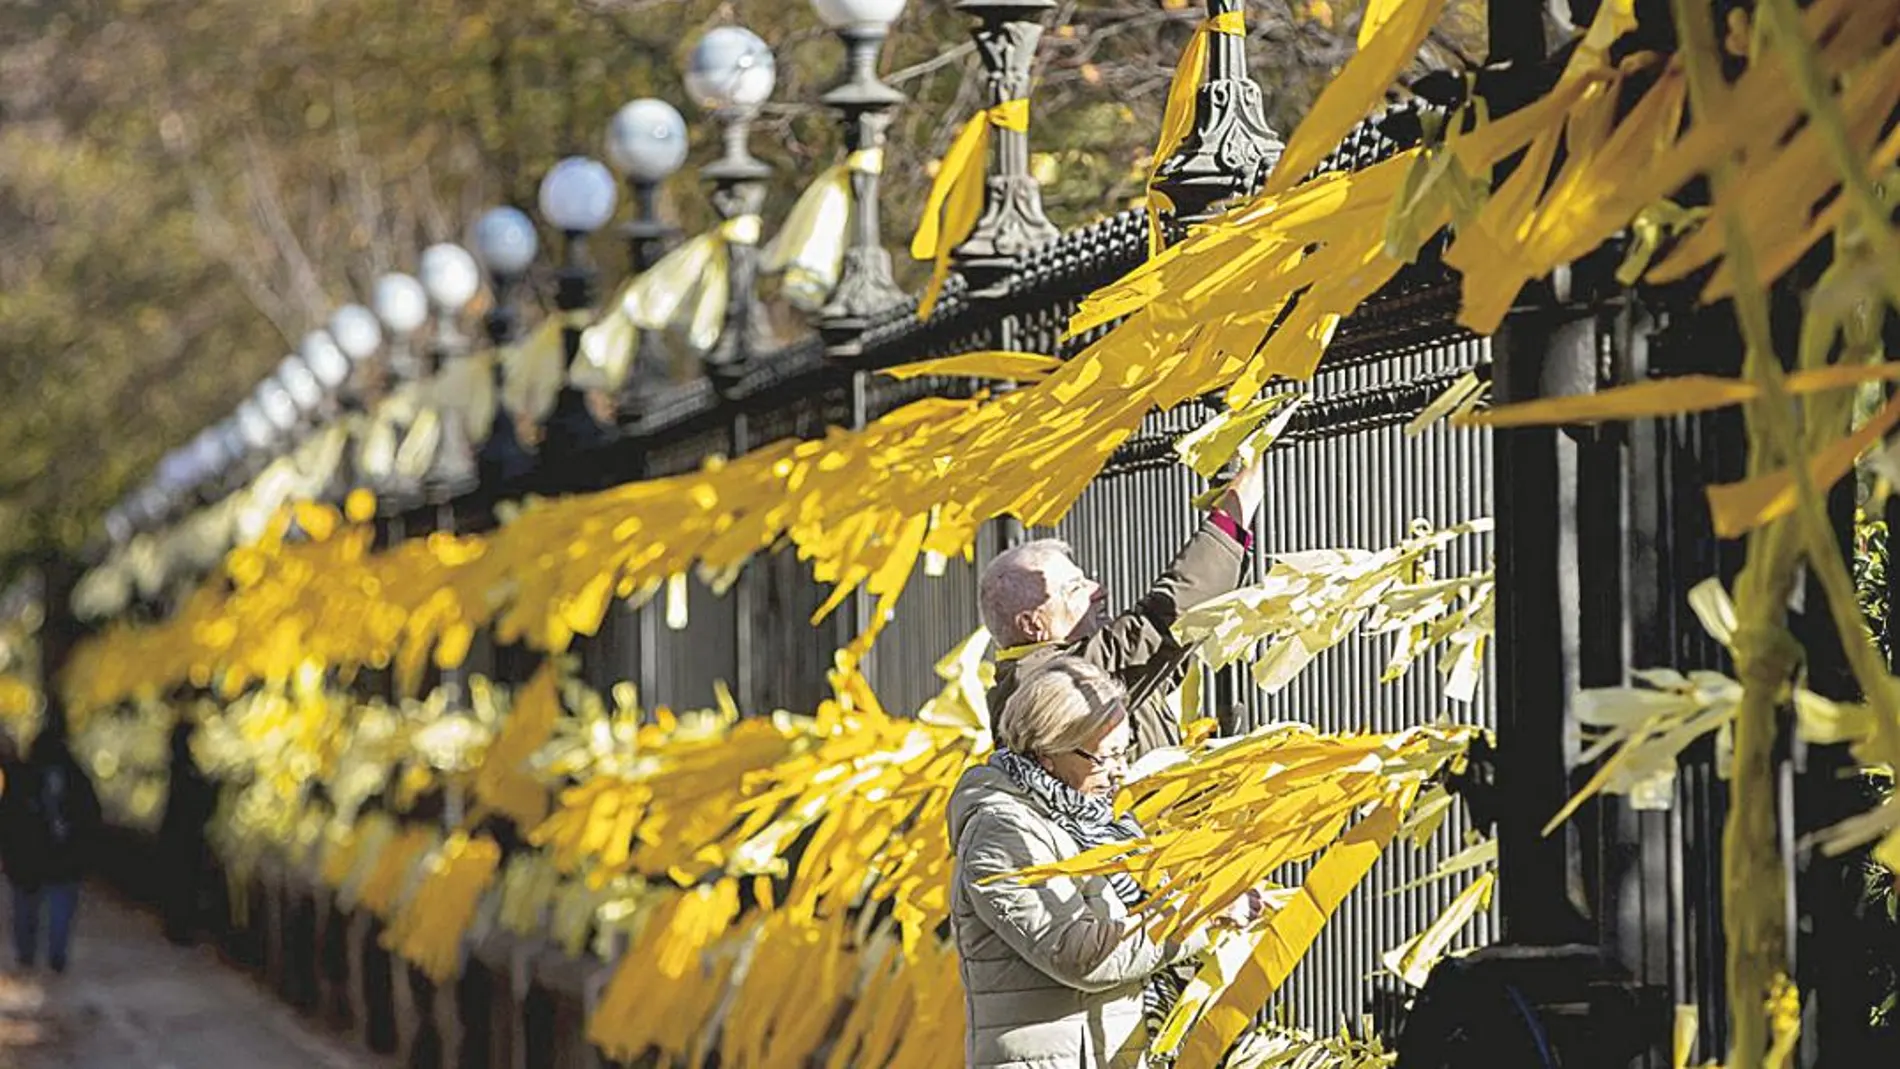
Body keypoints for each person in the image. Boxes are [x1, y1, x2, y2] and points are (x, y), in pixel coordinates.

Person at [948, 657, 1263, 1069]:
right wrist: (1201, 916)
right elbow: (1079, 954)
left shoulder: (1102, 818)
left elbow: (1145, 908)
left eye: (1123, 751)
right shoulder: (1003, 833)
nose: (1121, 771)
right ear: (1048, 752)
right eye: (1104, 757)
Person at [980, 456, 1263, 759]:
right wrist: (1235, 509)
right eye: (1076, 589)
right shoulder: (1052, 681)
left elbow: (1163, 648)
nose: (1099, 591)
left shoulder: (1040, 674)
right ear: (1033, 625)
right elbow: (1161, 623)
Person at [0, 726, 101, 973]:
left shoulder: (23, 777)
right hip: (64, 860)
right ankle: (56, 955)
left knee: (27, 909)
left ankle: (28, 954)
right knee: (60, 909)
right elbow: (92, 816)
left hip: (27, 859)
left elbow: (8, 817)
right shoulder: (76, 779)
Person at [158, 718, 216, 945]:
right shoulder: (185, 768)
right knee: (184, 884)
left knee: (180, 884)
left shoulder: (178, 765)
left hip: (178, 836)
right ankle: (180, 928)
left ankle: (179, 926)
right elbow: (197, 801)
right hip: (185, 838)